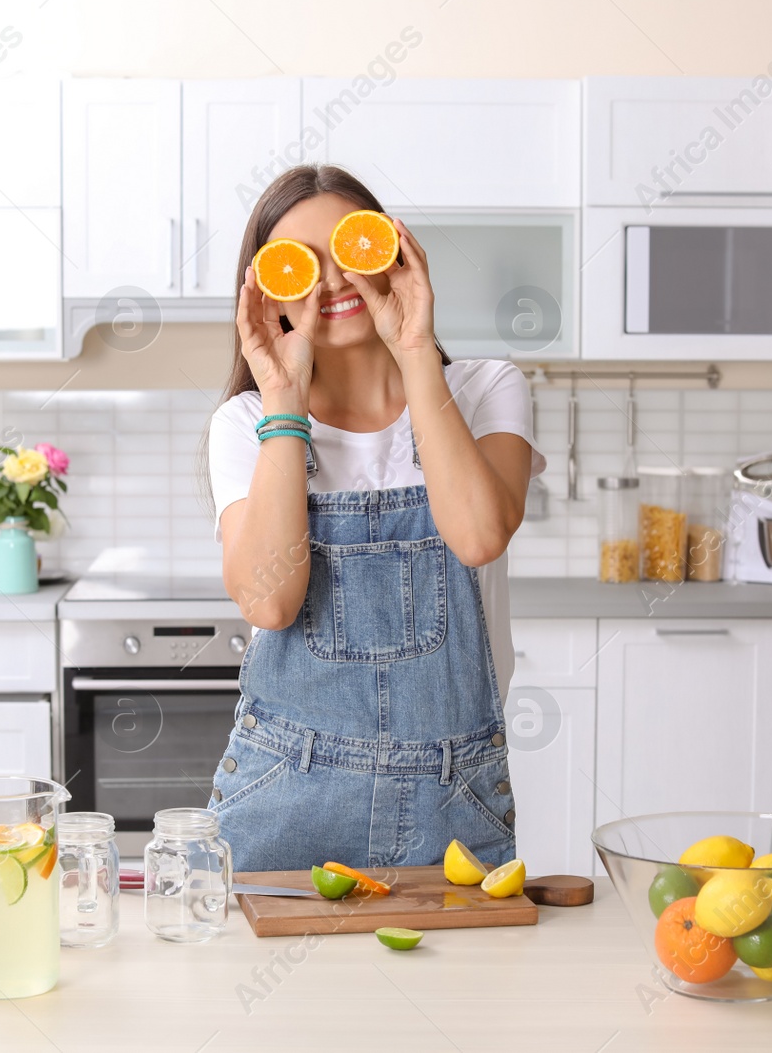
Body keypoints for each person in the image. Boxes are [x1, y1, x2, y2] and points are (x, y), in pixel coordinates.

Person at [205, 164, 545, 873]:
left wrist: (415, 349)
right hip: (282, 794)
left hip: (454, 801)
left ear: (393, 253)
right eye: (301, 264)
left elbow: (479, 535)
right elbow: (269, 599)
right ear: (268, 291)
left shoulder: (485, 389)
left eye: (350, 250)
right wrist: (284, 401)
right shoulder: (246, 423)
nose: (331, 282)